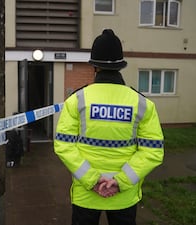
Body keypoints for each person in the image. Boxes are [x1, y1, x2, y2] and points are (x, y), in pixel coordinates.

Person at [54, 29, 164, 225]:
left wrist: (93, 180)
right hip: (124, 196)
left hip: (86, 195)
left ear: (94, 66)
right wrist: (120, 182)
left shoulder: (77, 100)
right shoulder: (142, 104)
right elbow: (152, 151)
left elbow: (64, 146)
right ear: (120, 66)